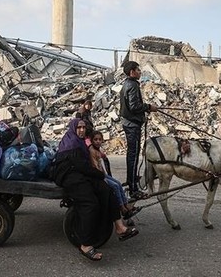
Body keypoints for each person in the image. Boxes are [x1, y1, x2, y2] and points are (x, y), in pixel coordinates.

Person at [51, 118, 139, 261]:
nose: (81, 130)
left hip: (79, 173)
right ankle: (85, 245)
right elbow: (80, 165)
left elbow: (84, 166)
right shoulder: (71, 142)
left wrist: (99, 176)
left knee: (107, 189)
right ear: (73, 128)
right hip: (68, 175)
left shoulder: (80, 142)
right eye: (78, 127)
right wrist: (98, 174)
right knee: (89, 203)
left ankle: (119, 227)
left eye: (83, 128)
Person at [119, 61, 157, 197]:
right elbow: (134, 107)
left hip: (129, 123)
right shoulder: (133, 85)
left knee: (132, 154)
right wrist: (148, 107)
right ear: (132, 72)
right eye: (138, 70)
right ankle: (133, 188)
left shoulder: (126, 84)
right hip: (132, 125)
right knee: (133, 155)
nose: (140, 72)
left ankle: (132, 179)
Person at [89, 131, 139, 220]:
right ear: (92, 141)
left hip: (103, 174)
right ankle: (122, 208)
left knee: (119, 184)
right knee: (115, 186)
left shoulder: (98, 150)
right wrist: (103, 178)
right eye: (95, 139)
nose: (97, 141)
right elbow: (96, 167)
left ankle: (126, 204)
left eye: (100, 139)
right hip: (99, 176)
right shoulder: (92, 151)